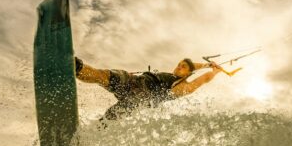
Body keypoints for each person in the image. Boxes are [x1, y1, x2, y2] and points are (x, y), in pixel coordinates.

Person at [74, 57, 223, 120]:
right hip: (135, 88)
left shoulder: (182, 86)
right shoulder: (172, 77)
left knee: (107, 118)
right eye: (179, 63)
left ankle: (75, 67)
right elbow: (192, 66)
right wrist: (205, 65)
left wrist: (214, 72)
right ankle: (75, 68)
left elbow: (202, 79)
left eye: (183, 67)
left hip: (138, 95)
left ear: (188, 73)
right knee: (102, 76)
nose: (179, 66)